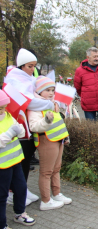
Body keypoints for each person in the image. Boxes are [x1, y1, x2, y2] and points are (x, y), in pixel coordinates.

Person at [4, 48, 58, 206]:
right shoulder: (15, 79)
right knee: (21, 159)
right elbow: (29, 101)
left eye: (34, 66)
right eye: (29, 66)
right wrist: (49, 103)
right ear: (21, 66)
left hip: (26, 124)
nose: (32, 69)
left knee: (26, 159)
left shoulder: (25, 78)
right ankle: (12, 192)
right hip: (18, 125)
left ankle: (22, 189)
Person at [28, 76, 72, 211]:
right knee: (46, 172)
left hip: (58, 140)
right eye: (48, 90)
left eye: (53, 89)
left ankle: (57, 194)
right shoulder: (35, 105)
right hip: (47, 141)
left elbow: (59, 122)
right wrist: (46, 120)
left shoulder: (53, 103)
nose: (52, 92)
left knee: (56, 169)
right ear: (39, 91)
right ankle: (46, 200)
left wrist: (65, 137)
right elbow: (34, 126)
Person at [0, 90, 36, 228]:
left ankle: (20, 213)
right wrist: (10, 132)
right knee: (2, 195)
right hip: (2, 165)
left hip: (15, 160)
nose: (3, 111)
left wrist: (19, 130)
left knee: (21, 188)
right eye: (0, 108)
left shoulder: (8, 114)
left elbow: (19, 130)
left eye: (4, 107)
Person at [74, 47, 98, 122]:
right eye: (94, 56)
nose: (97, 58)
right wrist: (86, 96)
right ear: (88, 57)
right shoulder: (79, 71)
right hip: (88, 105)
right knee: (91, 130)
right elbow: (78, 87)